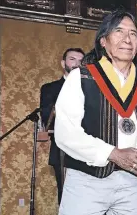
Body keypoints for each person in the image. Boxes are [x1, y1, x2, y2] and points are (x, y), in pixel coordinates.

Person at [54, 10, 137, 215]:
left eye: (133, 34)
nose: (127, 39)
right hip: (86, 180)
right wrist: (112, 153)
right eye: (119, 31)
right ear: (103, 41)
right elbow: (66, 134)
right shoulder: (82, 78)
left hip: (132, 183)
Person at [39, 47, 84, 205]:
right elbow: (46, 118)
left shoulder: (91, 88)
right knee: (66, 195)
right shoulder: (50, 88)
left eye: (81, 61)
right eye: (73, 59)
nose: (77, 64)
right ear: (63, 63)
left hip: (88, 150)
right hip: (62, 150)